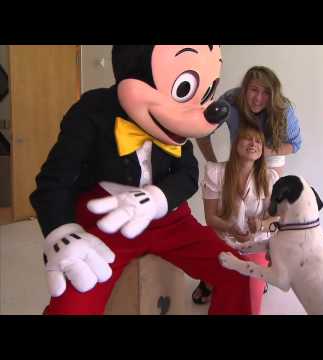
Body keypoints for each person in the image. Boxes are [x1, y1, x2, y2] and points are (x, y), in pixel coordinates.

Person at [29, 45, 257, 315]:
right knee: (70, 307)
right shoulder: (93, 109)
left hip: (170, 220)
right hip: (108, 222)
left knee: (241, 272)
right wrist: (62, 231)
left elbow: (188, 174)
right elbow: (54, 180)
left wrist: (157, 198)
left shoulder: (181, 117)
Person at [191, 124, 280, 314]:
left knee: (248, 295)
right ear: (235, 144)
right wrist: (231, 229)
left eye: (258, 141)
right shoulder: (215, 172)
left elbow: (278, 221)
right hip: (224, 240)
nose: (253, 144)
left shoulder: (270, 178)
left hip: (257, 244)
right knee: (229, 286)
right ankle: (210, 281)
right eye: (247, 138)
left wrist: (262, 225)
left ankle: (256, 279)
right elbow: (211, 218)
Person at [196, 65, 302, 174]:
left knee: (269, 190)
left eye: (266, 92)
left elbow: (295, 144)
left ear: (273, 94)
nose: (258, 98)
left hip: (270, 158)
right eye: (254, 90)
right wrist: (213, 164)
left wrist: (263, 152)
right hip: (241, 157)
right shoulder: (230, 100)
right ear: (245, 88)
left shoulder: (283, 108)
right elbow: (202, 133)